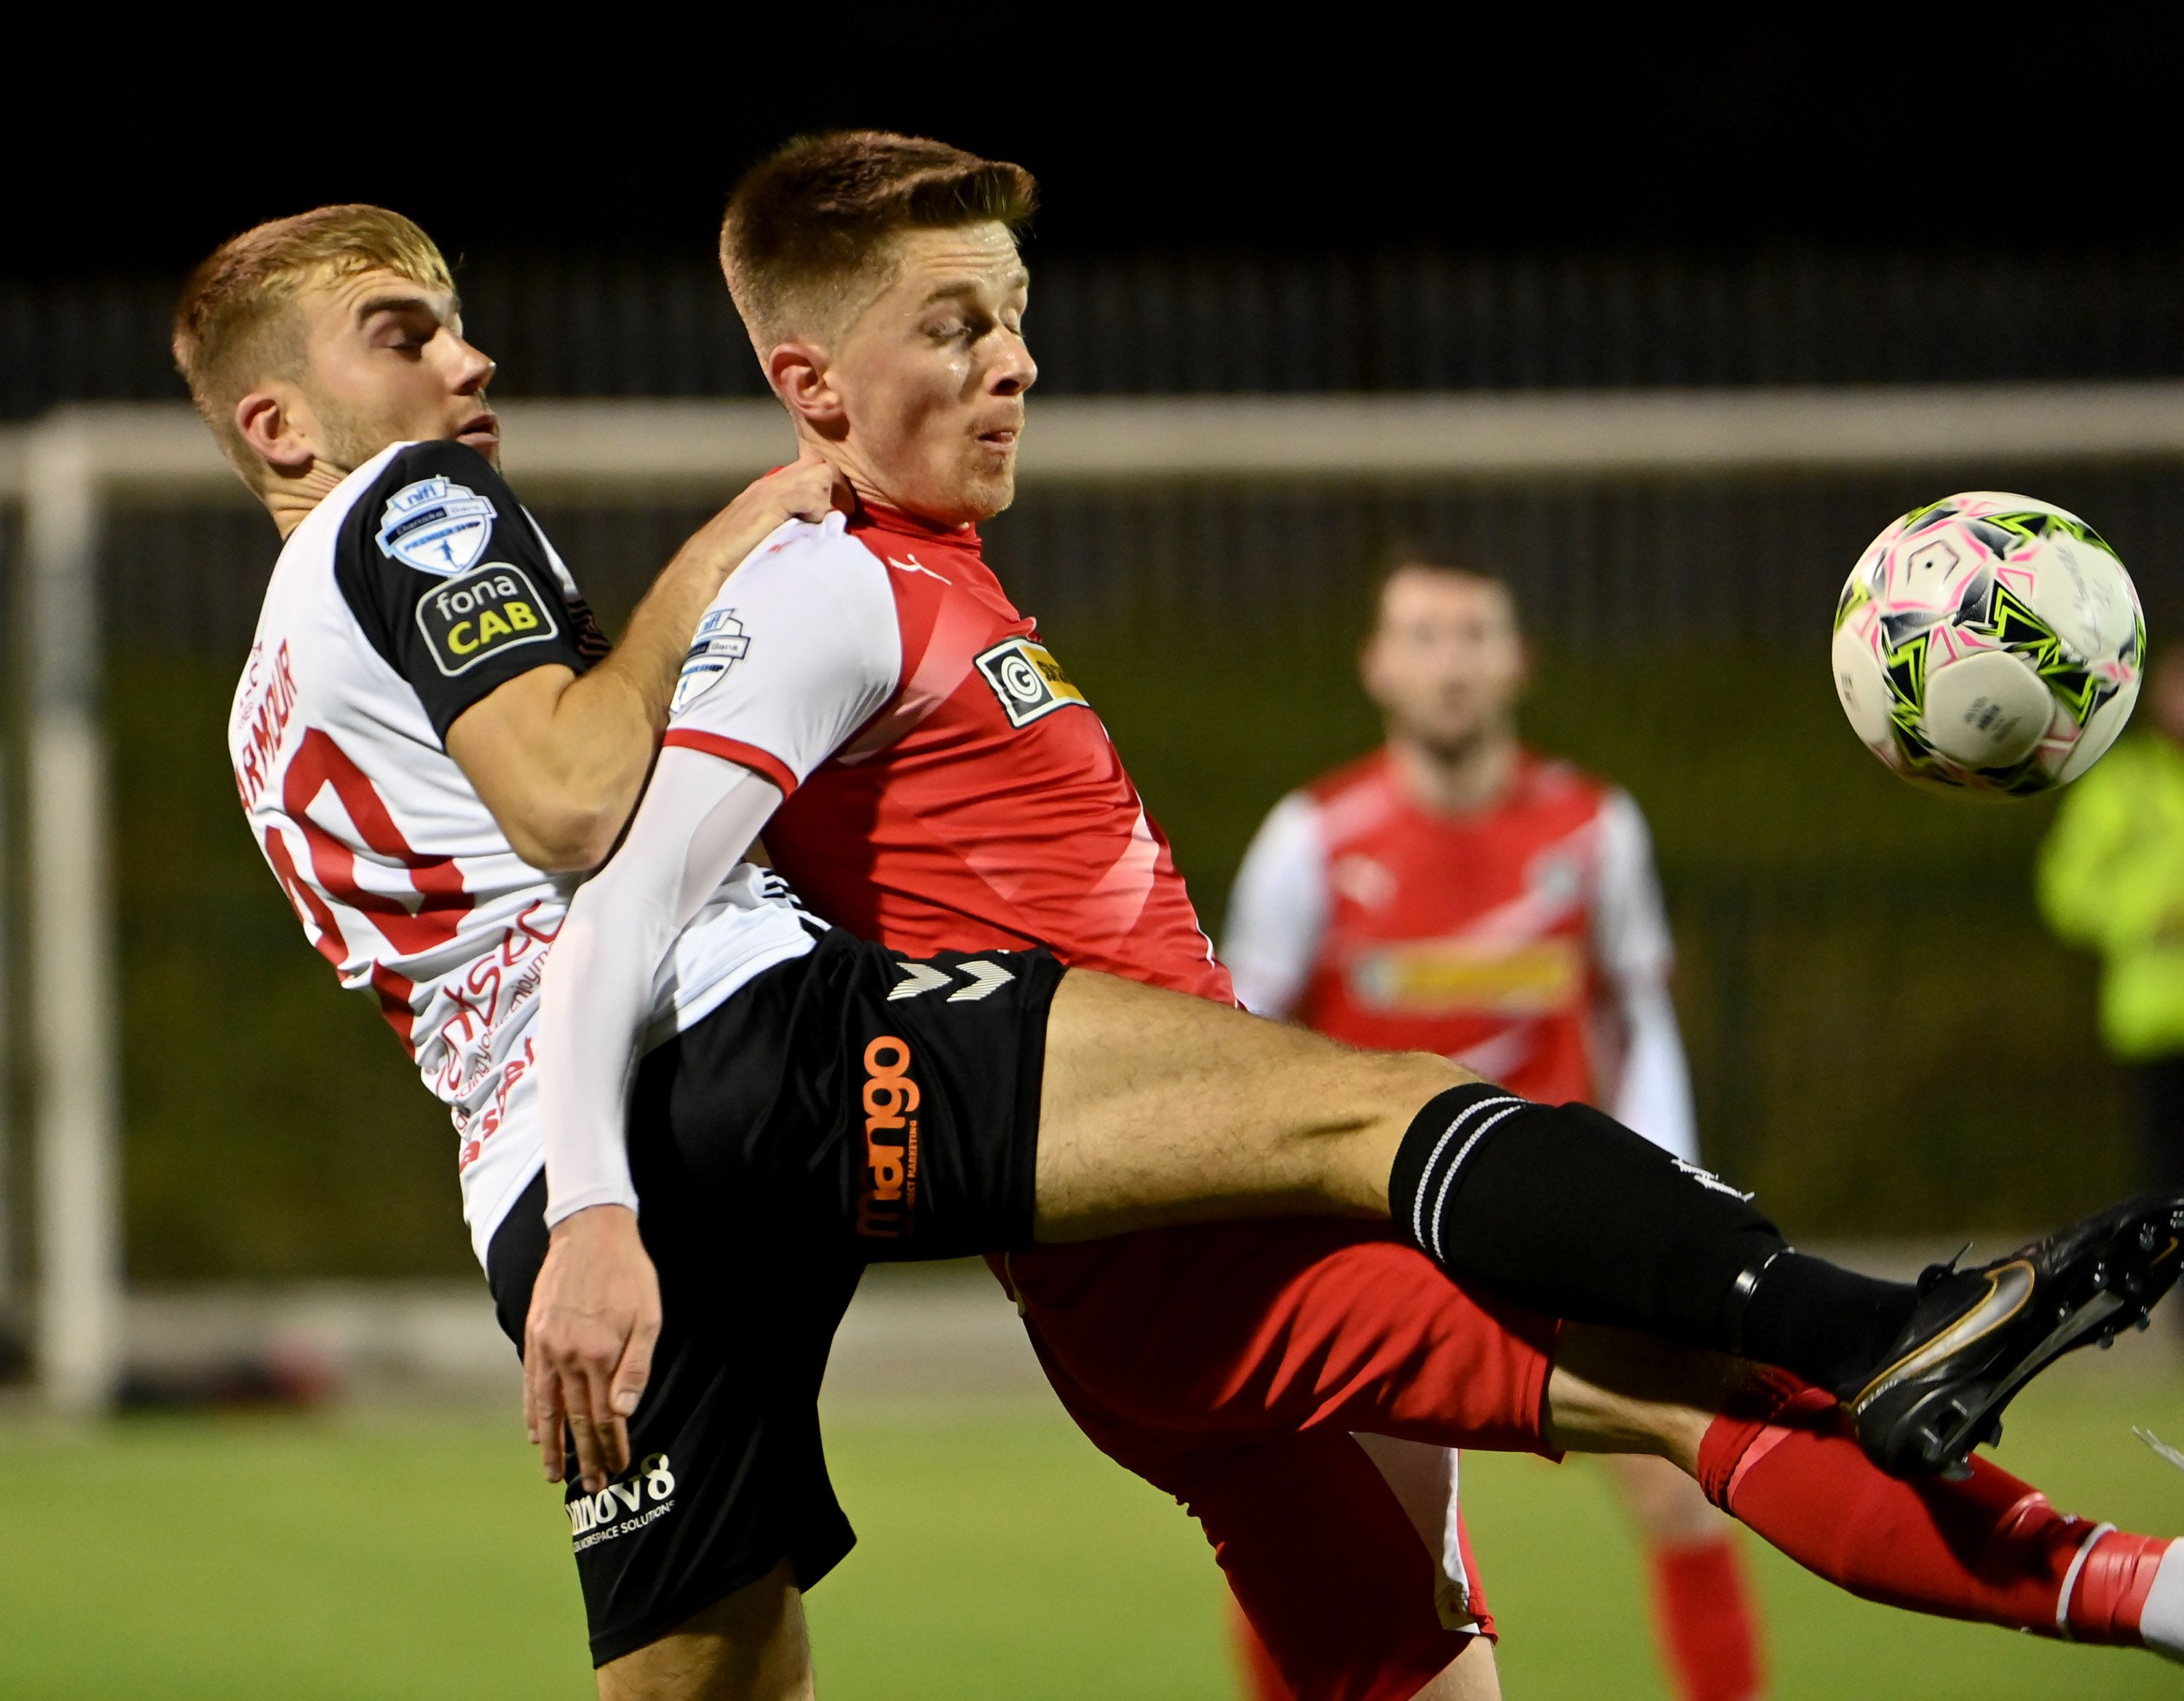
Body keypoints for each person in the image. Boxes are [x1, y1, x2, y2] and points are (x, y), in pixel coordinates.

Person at [517, 135, 2184, 1698]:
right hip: (1171, 1233)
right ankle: (2007, 1448)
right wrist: (592, 1205)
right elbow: (628, 893)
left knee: (1416, 1663)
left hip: (1165, 1246)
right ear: (805, 381)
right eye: (952, 328)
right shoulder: (819, 583)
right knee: (1696, 1381)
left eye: (1014, 316)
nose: (1012, 361)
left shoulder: (931, 568)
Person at [1224, 560, 1764, 1701]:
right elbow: (1245, 1045)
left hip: (1558, 1217)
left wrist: (1678, 1198)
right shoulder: (1312, 839)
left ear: (1517, 660)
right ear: (1377, 665)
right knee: (1319, 1525)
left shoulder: (1594, 827)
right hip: (1379, 1224)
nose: (1451, 660)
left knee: (1688, 1476)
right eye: (1422, 635)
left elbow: (1636, 1020)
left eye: (1473, 634)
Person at [2040, 649, 2184, 1201]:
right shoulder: (2122, 783)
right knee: (2167, 1184)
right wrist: (2152, 915)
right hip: (2155, 1022)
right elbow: (2066, 888)